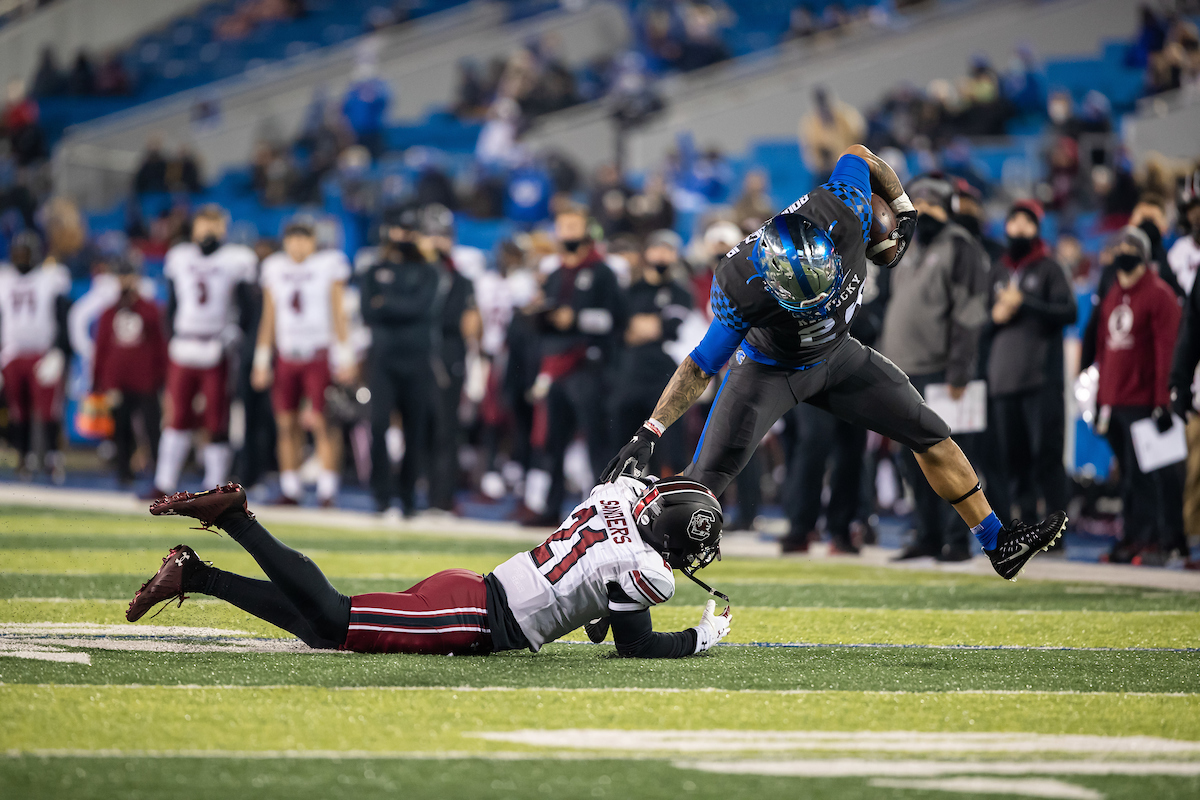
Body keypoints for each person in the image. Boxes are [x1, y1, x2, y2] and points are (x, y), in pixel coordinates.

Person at [604, 144, 1067, 581]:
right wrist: (651, 430)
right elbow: (700, 365)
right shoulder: (738, 283)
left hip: (837, 353)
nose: (818, 305)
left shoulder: (846, 207)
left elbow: (858, 154)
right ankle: (616, 577)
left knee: (929, 431)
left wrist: (902, 206)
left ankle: (997, 542)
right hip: (770, 369)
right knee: (698, 491)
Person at [125, 477, 732, 658]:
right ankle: (237, 520)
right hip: (475, 617)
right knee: (335, 618)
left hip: (473, 589)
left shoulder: (616, 498)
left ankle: (197, 575)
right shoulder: (647, 570)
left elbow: (596, 589)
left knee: (324, 631)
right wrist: (699, 637)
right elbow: (635, 645)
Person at [880, 176, 991, 561]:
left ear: (949, 210)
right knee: (911, 463)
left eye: (933, 205)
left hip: (942, 373)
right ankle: (927, 535)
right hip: (903, 373)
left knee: (952, 461)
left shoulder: (961, 247)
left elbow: (970, 312)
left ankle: (957, 540)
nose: (924, 211)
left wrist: (959, 370)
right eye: (919, 204)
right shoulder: (906, 247)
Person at [150, 206, 258, 498]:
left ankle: (215, 485)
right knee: (177, 415)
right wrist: (171, 336)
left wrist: (236, 334)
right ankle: (164, 481)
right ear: (194, 227)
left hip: (216, 345)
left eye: (214, 224)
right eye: (203, 224)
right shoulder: (180, 256)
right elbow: (172, 303)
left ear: (224, 228)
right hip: (185, 342)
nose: (208, 230)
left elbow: (248, 307)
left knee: (216, 417)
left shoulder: (237, 259)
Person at [529, 205, 627, 524]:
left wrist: (576, 318)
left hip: (588, 364)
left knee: (595, 441)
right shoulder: (554, 274)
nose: (567, 233)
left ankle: (600, 511)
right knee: (553, 442)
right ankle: (550, 508)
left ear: (586, 231)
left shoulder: (602, 272)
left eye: (574, 226)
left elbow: (616, 319)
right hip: (556, 363)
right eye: (563, 227)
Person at [1095, 227, 1184, 563]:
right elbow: (1104, 350)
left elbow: (1167, 351)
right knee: (1128, 479)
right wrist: (1101, 399)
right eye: (1119, 246)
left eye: (1131, 247)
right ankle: (1132, 537)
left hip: (1145, 402)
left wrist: (1163, 401)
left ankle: (1154, 539)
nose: (1124, 252)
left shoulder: (1160, 295)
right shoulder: (1112, 294)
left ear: (1145, 255)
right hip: (1116, 400)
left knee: (1150, 478)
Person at [986, 200, 1076, 531]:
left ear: (1037, 229)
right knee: (1014, 462)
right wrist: (994, 317)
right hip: (1003, 380)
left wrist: (1025, 303)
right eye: (1014, 221)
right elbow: (982, 323)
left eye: (1028, 222)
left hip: (1041, 380)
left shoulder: (1049, 267)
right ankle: (1023, 528)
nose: (1020, 228)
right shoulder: (998, 270)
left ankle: (1056, 528)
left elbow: (1069, 312)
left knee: (1047, 457)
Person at [252, 219, 354, 507]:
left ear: (313, 241)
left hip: (318, 354)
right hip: (287, 355)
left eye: (303, 239)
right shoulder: (274, 267)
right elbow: (269, 317)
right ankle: (291, 488)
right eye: (293, 239)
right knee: (286, 423)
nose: (298, 245)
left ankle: (327, 490)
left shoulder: (328, 264)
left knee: (323, 422)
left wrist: (344, 356)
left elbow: (338, 312)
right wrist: (262, 359)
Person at [360, 205, 442, 516]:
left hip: (417, 359)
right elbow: (368, 311)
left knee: (414, 429)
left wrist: (387, 303)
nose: (404, 236)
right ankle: (381, 494)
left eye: (410, 230)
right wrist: (401, 305)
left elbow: (423, 308)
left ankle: (407, 496)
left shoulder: (429, 271)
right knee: (378, 425)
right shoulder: (373, 269)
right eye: (400, 229)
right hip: (383, 359)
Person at [612, 230, 694, 477]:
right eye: (657, 248)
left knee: (669, 448)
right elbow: (619, 331)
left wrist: (643, 326)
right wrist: (650, 326)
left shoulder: (681, 292)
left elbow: (671, 327)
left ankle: (669, 496)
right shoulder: (629, 291)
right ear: (646, 252)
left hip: (665, 378)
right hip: (629, 376)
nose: (661, 255)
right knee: (624, 446)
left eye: (668, 250)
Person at [421, 204, 481, 513]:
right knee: (417, 427)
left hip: (448, 352)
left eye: (442, 235)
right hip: (416, 352)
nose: (437, 241)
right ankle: (409, 493)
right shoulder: (413, 274)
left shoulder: (459, 278)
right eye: (431, 234)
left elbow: (471, 323)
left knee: (445, 428)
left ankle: (442, 496)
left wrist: (475, 361)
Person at [0, 231, 71, 481]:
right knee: (18, 411)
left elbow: (63, 315)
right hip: (12, 354)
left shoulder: (50, 278)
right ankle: (24, 457)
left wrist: (60, 350)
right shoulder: (4, 279)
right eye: (18, 253)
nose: (21, 258)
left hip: (42, 353)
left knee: (49, 411)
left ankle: (53, 458)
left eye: (26, 253)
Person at [92, 255, 168, 485]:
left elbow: (159, 345)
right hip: (118, 381)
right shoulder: (109, 312)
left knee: (153, 429)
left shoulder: (150, 309)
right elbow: (102, 347)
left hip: (146, 380)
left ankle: (161, 474)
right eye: (121, 276)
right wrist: (100, 381)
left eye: (128, 275)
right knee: (121, 429)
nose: (125, 281)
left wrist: (162, 377)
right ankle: (124, 472)